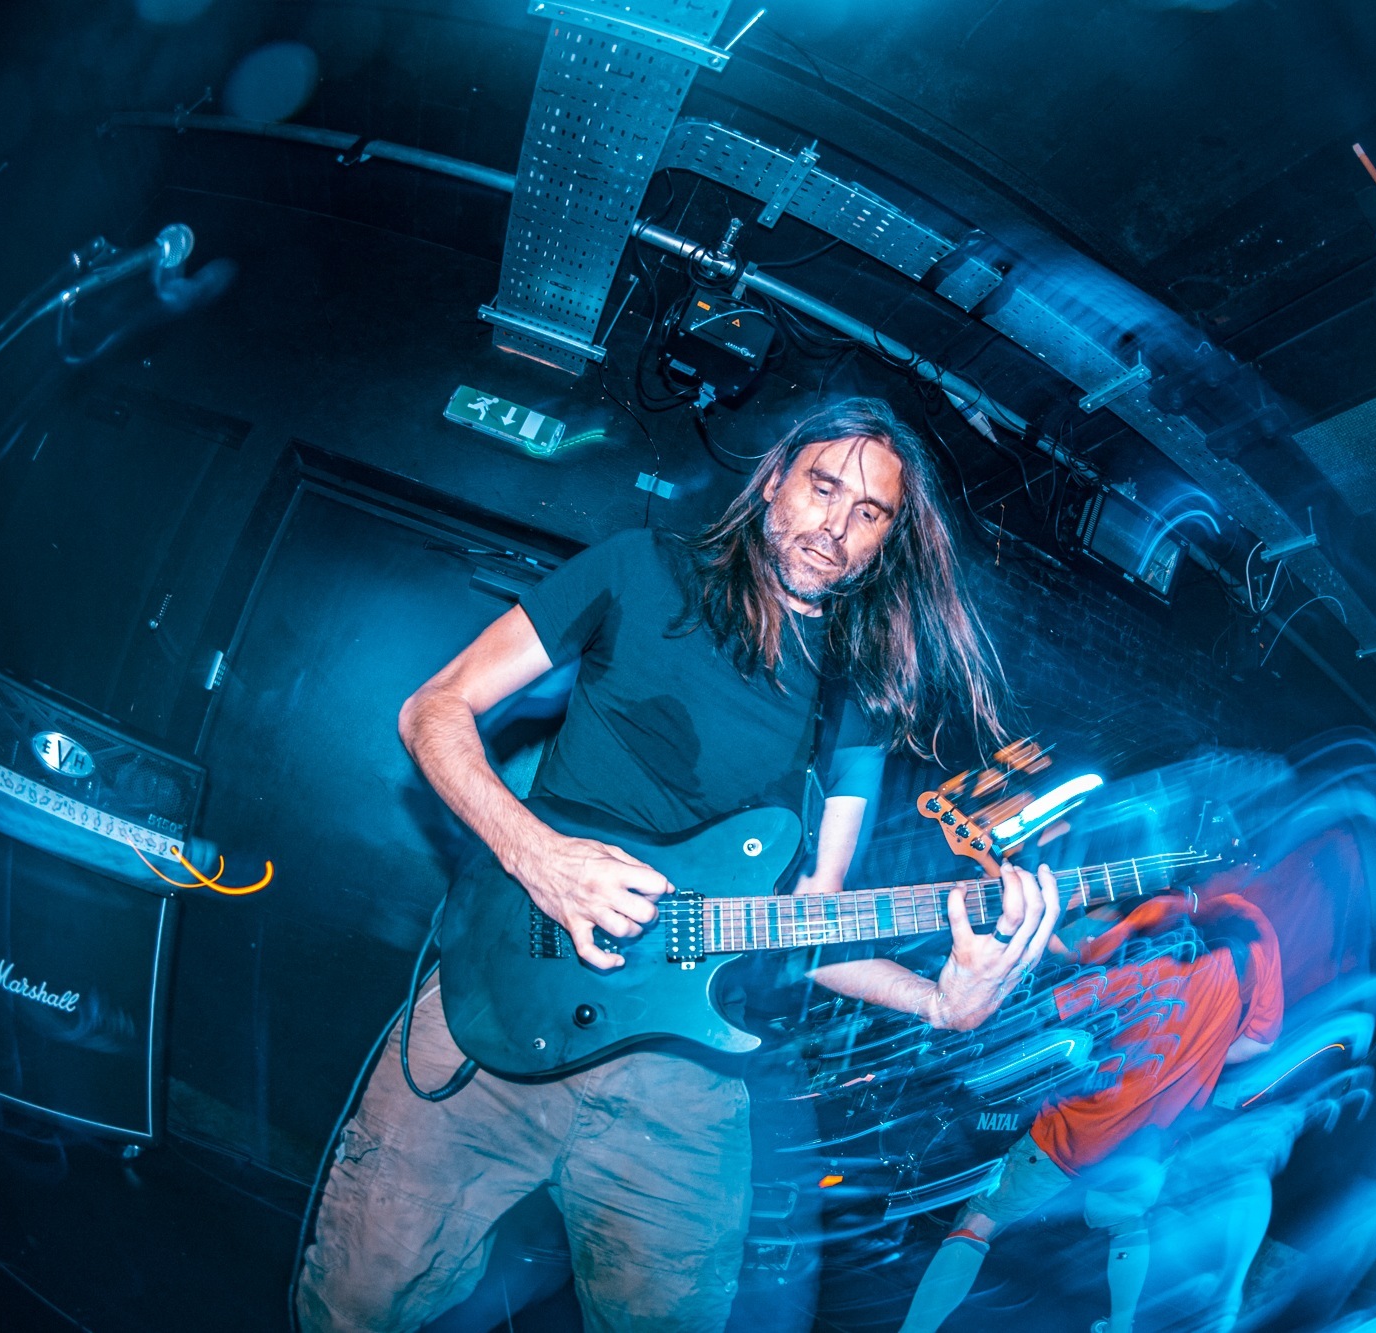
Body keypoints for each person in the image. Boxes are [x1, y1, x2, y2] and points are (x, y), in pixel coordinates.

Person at [296, 398, 1066, 1333]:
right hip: (494, 1002)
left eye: (868, 512)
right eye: (823, 487)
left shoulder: (853, 702)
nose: (835, 525)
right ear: (775, 479)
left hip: (680, 1090)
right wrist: (538, 856)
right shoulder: (640, 569)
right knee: (354, 1300)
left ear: (885, 542)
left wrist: (938, 1001)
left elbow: (811, 921)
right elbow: (434, 708)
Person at [898, 891, 1282, 1333]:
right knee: (1126, 1223)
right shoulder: (1254, 928)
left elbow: (1056, 1004)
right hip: (1156, 1135)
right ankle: (1121, 1327)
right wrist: (1196, 1062)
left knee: (980, 1219)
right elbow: (1259, 1042)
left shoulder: (1146, 931)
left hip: (1080, 1128)